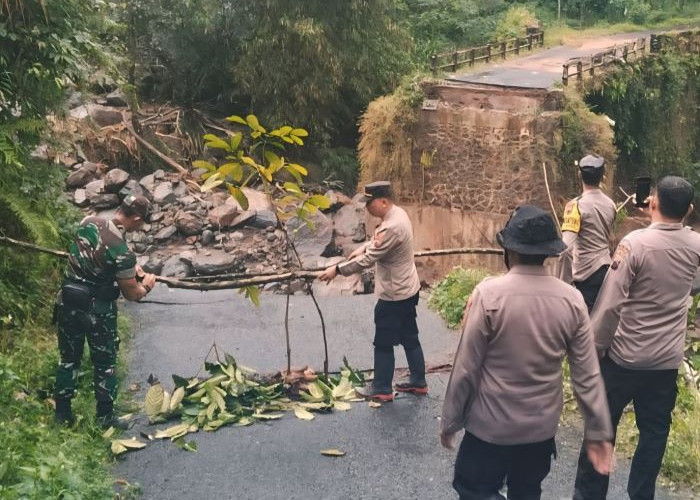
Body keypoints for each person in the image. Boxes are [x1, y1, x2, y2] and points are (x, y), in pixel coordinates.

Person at [441, 205, 614, 500]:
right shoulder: (572, 300)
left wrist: (450, 420)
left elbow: (466, 368)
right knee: (527, 491)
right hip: (539, 432)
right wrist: (598, 433)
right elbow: (587, 375)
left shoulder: (489, 295)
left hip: (489, 429)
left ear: (509, 251)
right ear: (548, 252)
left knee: (473, 489)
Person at [573, 176, 700, 500]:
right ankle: (641, 495)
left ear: (652, 202)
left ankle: (590, 495)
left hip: (624, 358)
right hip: (665, 363)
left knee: (601, 429)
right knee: (654, 433)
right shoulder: (695, 245)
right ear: (689, 209)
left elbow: (611, 303)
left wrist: (594, 349)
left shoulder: (636, 243)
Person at [317, 181, 426, 401]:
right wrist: (361, 246)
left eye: (370, 203)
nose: (367, 208)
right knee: (409, 337)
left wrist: (336, 270)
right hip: (407, 288)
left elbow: (369, 259)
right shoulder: (397, 215)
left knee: (383, 341)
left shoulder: (391, 226)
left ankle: (382, 389)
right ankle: (418, 382)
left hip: (395, 294)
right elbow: (376, 245)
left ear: (383, 202)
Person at [54, 194, 156, 428]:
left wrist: (128, 269)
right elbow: (132, 294)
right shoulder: (123, 251)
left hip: (68, 301)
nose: (142, 226)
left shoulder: (88, 221)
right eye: (142, 222)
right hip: (97, 311)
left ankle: (62, 415)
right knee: (104, 363)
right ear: (137, 217)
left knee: (68, 360)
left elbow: (92, 254)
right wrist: (147, 285)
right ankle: (106, 417)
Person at [559, 154, 617, 311]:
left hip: (585, 274)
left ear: (579, 175)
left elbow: (566, 248)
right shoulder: (611, 205)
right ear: (602, 176)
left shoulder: (575, 206)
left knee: (582, 325)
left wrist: (564, 283)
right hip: (605, 270)